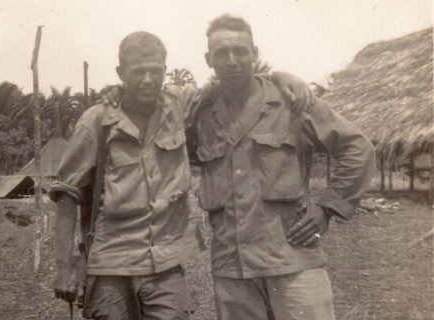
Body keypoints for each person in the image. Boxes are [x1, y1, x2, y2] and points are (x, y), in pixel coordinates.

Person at [50, 30, 312, 319]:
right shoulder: (97, 121)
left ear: (165, 70)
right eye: (138, 72)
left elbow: (233, 81)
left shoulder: (180, 104)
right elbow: (66, 192)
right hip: (110, 261)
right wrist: (64, 267)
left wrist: (279, 76)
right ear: (120, 73)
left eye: (155, 71)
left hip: (166, 264)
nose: (148, 80)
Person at [184, 15, 376, 320]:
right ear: (209, 59)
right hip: (232, 268)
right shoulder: (200, 112)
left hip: (293, 260)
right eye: (221, 53)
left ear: (255, 53)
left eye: (240, 51)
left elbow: (358, 147)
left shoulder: (292, 101)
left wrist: (328, 207)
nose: (231, 61)